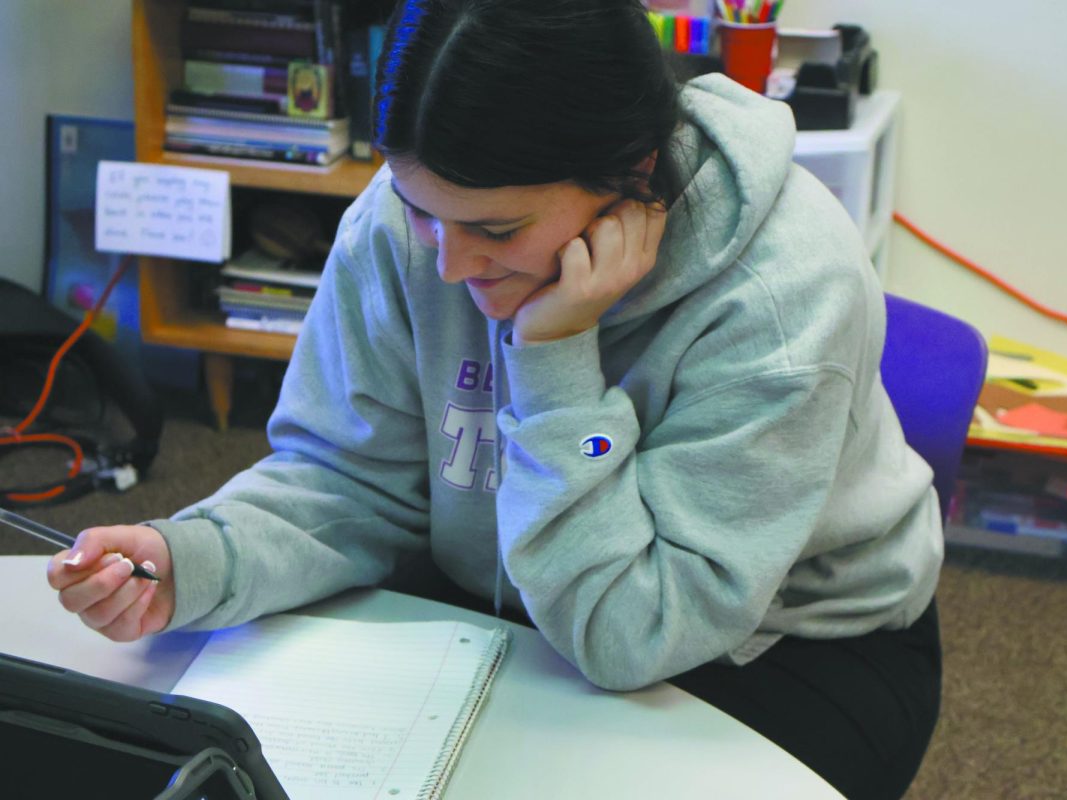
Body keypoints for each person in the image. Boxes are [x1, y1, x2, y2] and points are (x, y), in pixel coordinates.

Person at [46, 1, 943, 797]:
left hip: (781, 642)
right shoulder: (409, 221)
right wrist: (195, 556)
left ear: (632, 174)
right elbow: (351, 476)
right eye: (421, 212)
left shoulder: (781, 298)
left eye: (496, 230)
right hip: (500, 586)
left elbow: (636, 628)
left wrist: (554, 361)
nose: (448, 264)